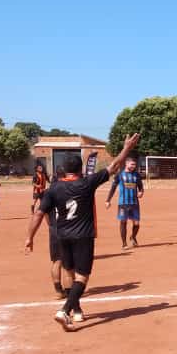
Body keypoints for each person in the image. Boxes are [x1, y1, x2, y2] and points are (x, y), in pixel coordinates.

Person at [24, 133, 141, 332]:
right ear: (80, 169)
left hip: (62, 236)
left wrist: (29, 237)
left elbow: (38, 213)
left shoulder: (54, 188)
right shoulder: (87, 184)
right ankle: (64, 310)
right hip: (83, 236)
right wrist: (126, 148)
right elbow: (114, 166)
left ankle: (76, 310)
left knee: (68, 272)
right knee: (82, 277)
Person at [105, 157, 144, 249]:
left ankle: (133, 237)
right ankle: (124, 243)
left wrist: (141, 192)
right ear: (126, 164)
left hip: (134, 203)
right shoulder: (120, 175)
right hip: (123, 203)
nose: (134, 166)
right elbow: (113, 188)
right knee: (123, 222)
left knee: (136, 223)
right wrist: (108, 200)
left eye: (134, 165)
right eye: (132, 164)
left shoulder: (136, 175)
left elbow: (140, 186)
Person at [46, 167, 65, 298]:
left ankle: (58, 290)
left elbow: (44, 213)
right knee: (70, 264)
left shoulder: (48, 192)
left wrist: (51, 226)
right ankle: (71, 291)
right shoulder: (69, 189)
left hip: (54, 229)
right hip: (68, 229)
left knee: (56, 261)